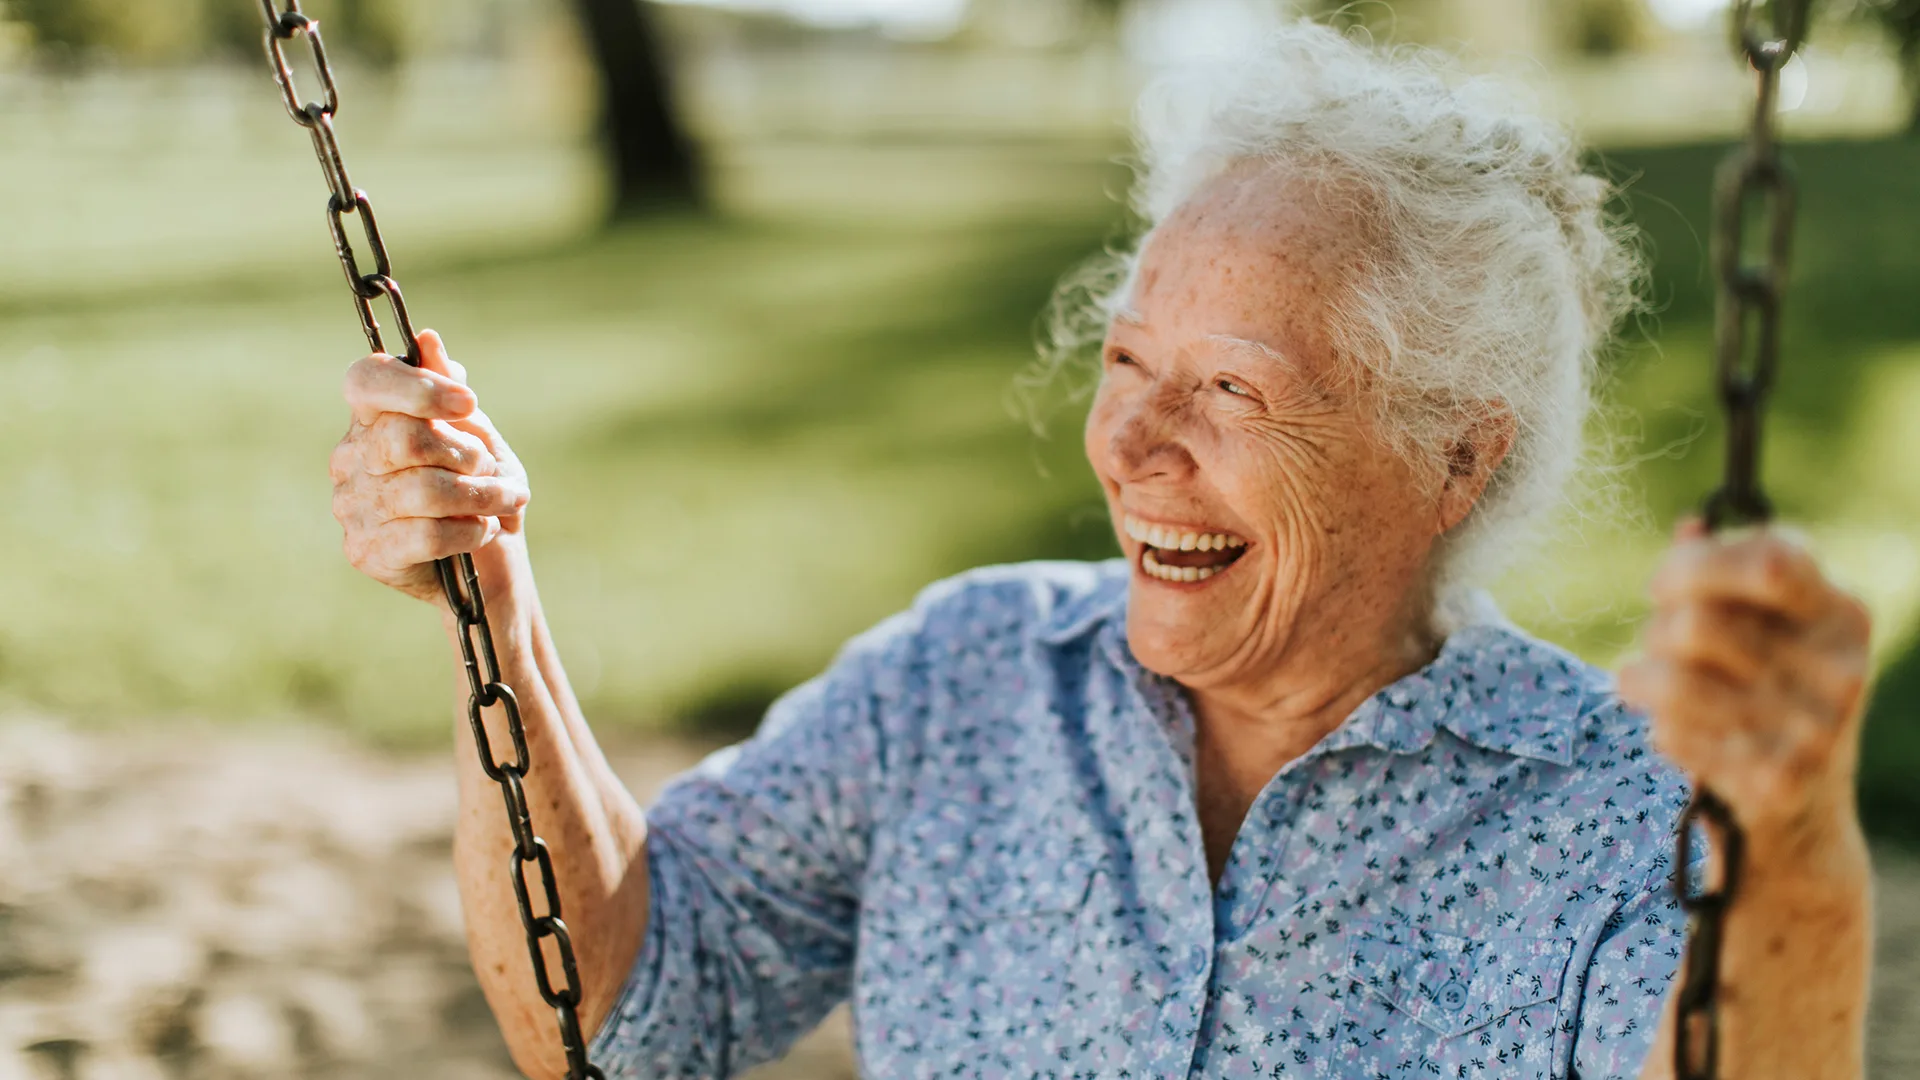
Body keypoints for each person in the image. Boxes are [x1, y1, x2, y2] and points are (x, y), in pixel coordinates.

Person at [325, 23, 1874, 1080]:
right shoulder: (964, 679)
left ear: (1456, 453)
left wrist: (1793, 831)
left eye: (1232, 392)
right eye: (1129, 365)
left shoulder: (1607, 806)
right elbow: (624, 1016)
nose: (1131, 449)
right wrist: (494, 605)